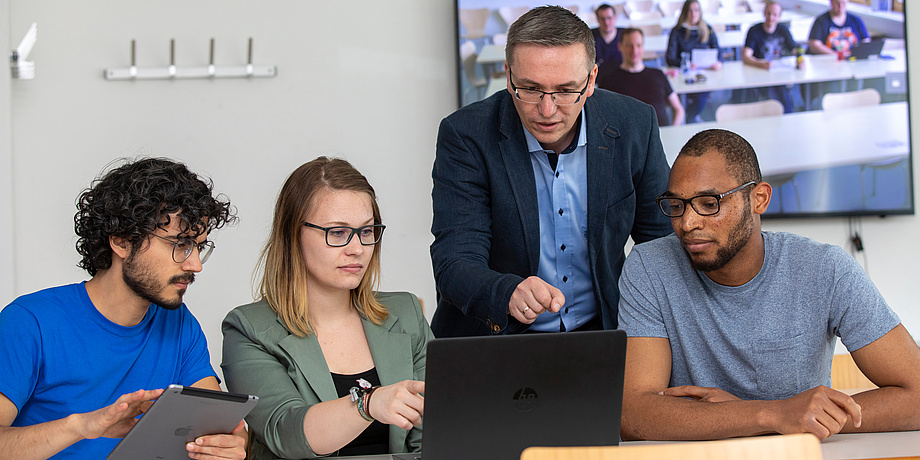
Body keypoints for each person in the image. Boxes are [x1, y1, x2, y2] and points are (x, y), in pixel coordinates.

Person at [618, 129, 920, 441]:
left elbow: (917, 397)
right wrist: (773, 414)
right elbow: (633, 414)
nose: (688, 223)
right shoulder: (649, 266)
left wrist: (808, 418)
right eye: (676, 205)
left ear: (759, 198)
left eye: (709, 204)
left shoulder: (824, 268)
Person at [430, 6, 672, 337]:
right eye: (529, 89)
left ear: (591, 81)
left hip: (604, 330)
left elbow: (663, 243)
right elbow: (455, 260)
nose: (547, 110)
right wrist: (507, 292)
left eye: (565, 90)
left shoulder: (634, 125)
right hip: (496, 337)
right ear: (507, 75)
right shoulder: (466, 134)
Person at [0, 158, 244, 459]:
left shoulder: (179, 323)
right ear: (121, 240)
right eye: (180, 244)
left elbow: (221, 422)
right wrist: (82, 426)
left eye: (199, 247)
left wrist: (231, 443)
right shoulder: (29, 322)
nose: (194, 265)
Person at [221, 157, 431, 458]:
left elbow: (436, 433)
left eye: (367, 231)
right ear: (293, 235)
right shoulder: (249, 329)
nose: (357, 248)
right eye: (338, 232)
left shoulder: (406, 313)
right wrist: (367, 404)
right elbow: (285, 432)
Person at [597, 28, 685, 127]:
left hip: (660, 136)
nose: (634, 50)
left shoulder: (658, 75)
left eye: (638, 45)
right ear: (620, 46)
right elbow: (600, 116)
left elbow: (678, 108)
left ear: (643, 47)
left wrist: (673, 130)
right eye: (629, 45)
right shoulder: (608, 80)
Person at [666, 0, 721, 123]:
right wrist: (686, 64)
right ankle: (688, 116)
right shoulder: (677, 31)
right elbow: (669, 58)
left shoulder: (707, 28)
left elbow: (718, 52)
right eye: (690, 10)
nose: (693, 13)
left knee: (702, 93)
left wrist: (717, 62)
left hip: (704, 72)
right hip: (684, 73)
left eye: (696, 10)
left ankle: (692, 116)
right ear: (685, 12)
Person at [741, 1, 798, 113]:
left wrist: (800, 58)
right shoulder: (754, 31)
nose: (771, 17)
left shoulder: (783, 30)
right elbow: (745, 56)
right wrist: (760, 64)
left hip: (779, 73)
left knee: (785, 99)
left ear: (779, 16)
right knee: (770, 98)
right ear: (764, 13)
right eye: (768, 13)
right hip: (759, 73)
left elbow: (795, 49)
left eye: (775, 15)